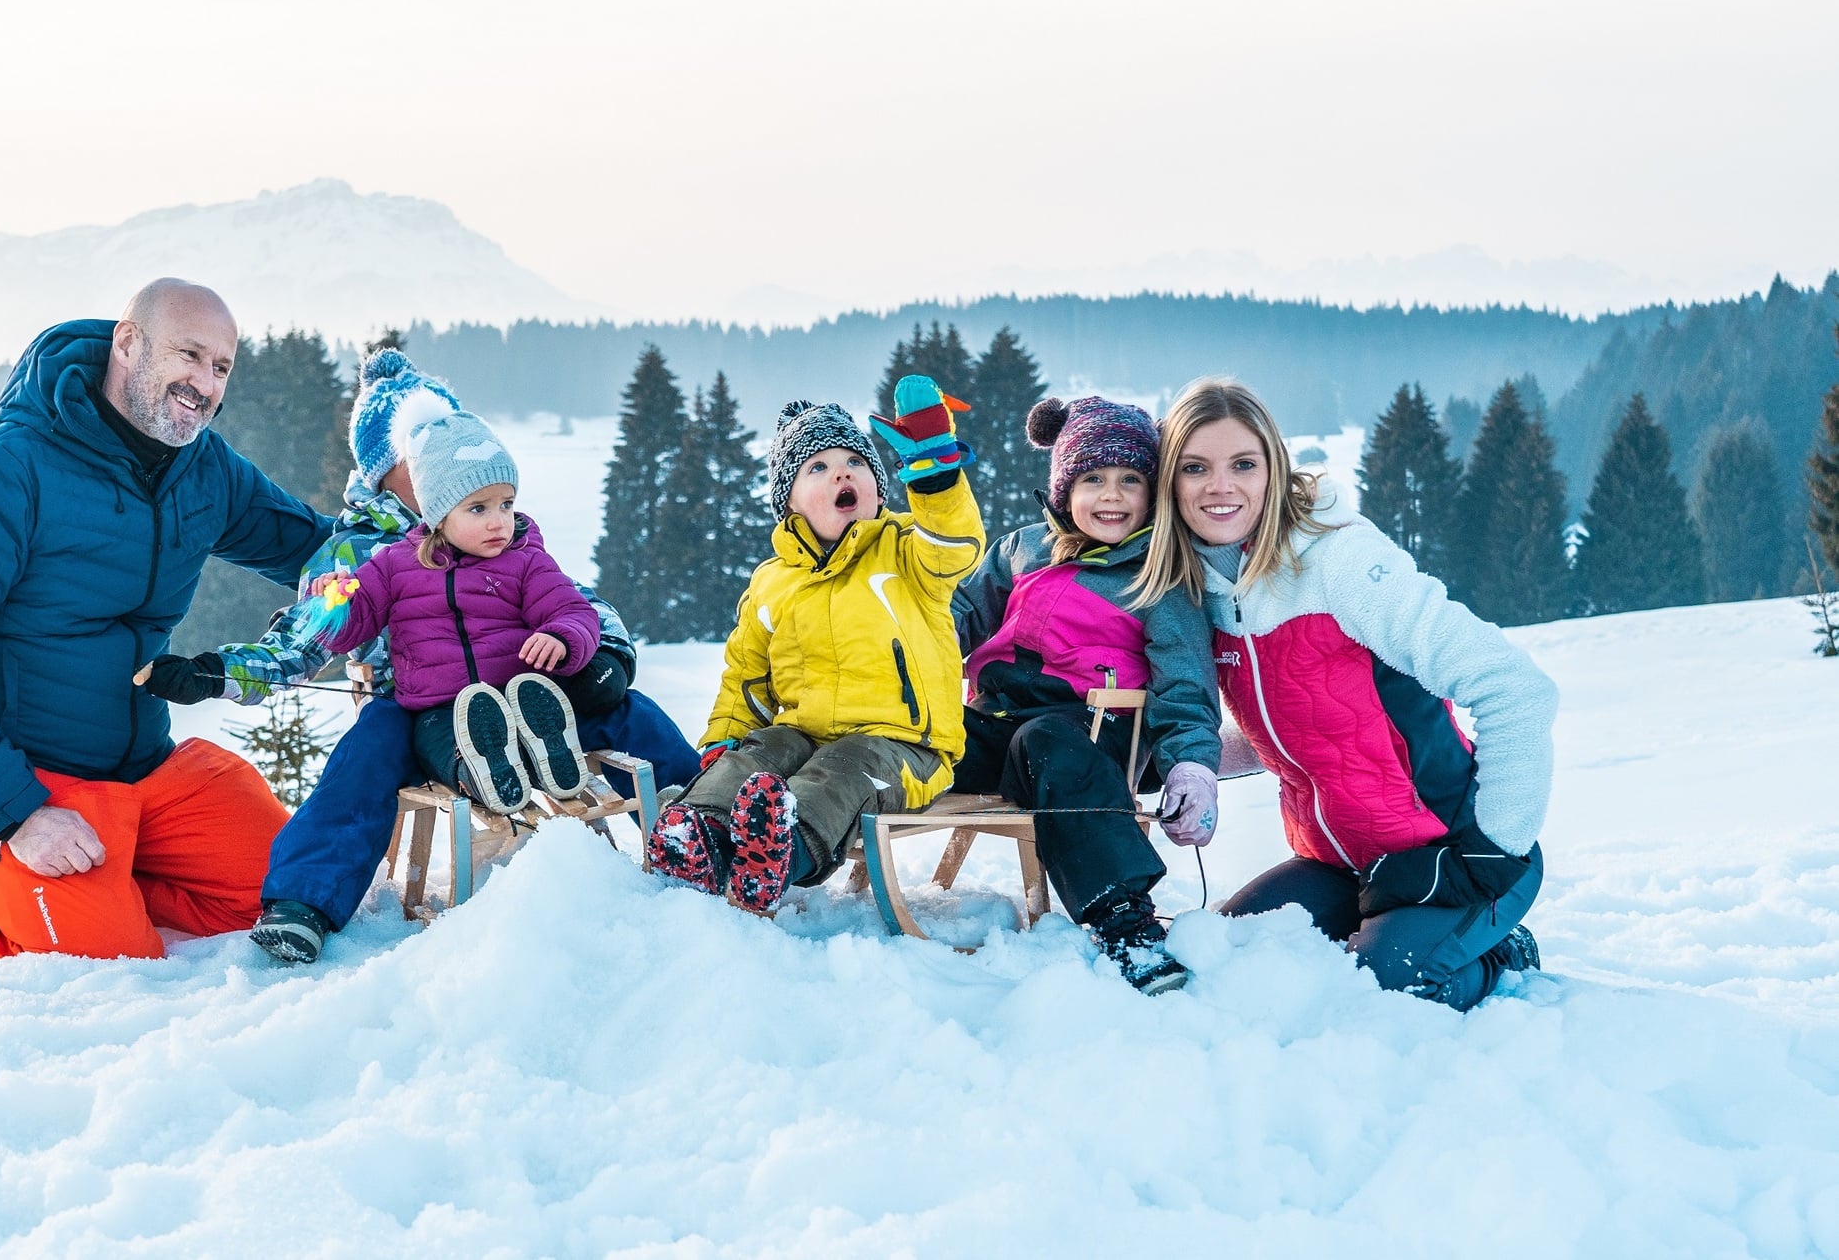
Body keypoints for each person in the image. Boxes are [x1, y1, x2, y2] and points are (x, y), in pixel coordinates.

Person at [147, 349, 699, 965]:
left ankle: (706, 821)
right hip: (418, 705)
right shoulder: (363, 554)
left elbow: (574, 600)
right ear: (390, 468)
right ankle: (303, 902)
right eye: (425, 451)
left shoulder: (503, 533)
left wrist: (604, 653)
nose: (448, 458)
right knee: (362, 759)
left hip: (526, 689)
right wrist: (220, 672)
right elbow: (309, 635)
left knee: (629, 711)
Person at [0, 279, 329, 964]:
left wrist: (452, 542)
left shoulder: (203, 470)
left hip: (141, 772)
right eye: (188, 355)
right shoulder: (2, 470)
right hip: (20, 782)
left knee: (297, 889)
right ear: (128, 343)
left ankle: (104, 879)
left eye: (221, 367)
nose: (204, 384)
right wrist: (17, 812)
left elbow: (315, 548)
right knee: (106, 960)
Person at [1134, 376, 1555, 1010]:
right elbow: (1291, 726)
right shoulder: (1201, 589)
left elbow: (1517, 689)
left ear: (1273, 470)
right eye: (1196, 468)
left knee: (1383, 993)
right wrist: (1179, 763)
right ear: (1171, 484)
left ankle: (1502, 949)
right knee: (1221, 960)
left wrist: (1493, 850)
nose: (1221, 487)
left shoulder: (1340, 565)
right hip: (1341, 862)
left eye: (1243, 464)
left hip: (1449, 852)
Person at [648, 375, 984, 915]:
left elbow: (955, 543)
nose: (841, 472)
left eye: (854, 462)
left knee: (842, 771)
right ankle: (698, 834)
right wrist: (722, 743)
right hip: (805, 732)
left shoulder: (906, 554)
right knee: (759, 754)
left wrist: (936, 473)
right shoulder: (772, 582)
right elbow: (747, 678)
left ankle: (784, 853)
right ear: (790, 501)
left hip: (904, 746)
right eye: (818, 467)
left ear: (876, 485)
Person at [948, 395, 1223, 994]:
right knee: (918, 730)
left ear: (1154, 493)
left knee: (1046, 739)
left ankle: (1123, 918)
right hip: (997, 723)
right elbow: (959, 615)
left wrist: (1193, 766)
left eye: (1131, 480)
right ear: (1063, 487)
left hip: (1090, 735)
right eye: (1093, 478)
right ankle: (813, 821)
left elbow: (1185, 682)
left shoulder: (1159, 574)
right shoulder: (1023, 549)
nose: (1112, 495)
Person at [307, 411, 610, 811]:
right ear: (437, 512)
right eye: (478, 509)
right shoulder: (394, 565)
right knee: (439, 743)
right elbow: (350, 630)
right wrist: (332, 602)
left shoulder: (524, 561)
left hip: (515, 698)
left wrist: (561, 637)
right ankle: (483, 776)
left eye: (506, 504)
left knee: (519, 722)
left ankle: (547, 750)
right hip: (437, 708)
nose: (499, 522)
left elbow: (573, 609)